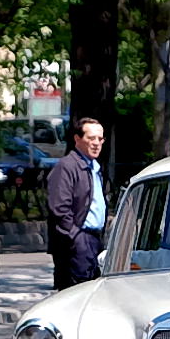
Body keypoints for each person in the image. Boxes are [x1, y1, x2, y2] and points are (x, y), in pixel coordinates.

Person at [47, 118, 106, 290]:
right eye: (91, 138)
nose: (96, 143)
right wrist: (76, 237)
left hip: (94, 240)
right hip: (77, 243)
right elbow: (59, 208)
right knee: (77, 292)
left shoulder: (94, 167)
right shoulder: (67, 167)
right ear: (77, 139)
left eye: (100, 139)